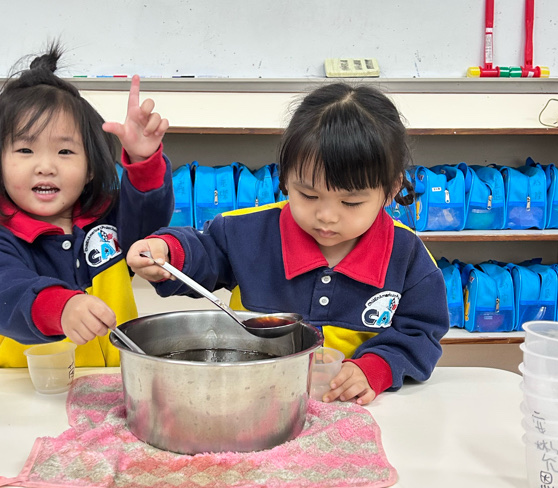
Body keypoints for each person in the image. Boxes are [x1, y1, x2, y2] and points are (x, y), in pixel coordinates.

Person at [126, 81, 449, 405]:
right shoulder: (249, 232)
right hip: (253, 399)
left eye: (350, 203)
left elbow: (421, 333)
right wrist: (168, 253)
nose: (326, 216)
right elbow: (207, 250)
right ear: (286, 178)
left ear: (391, 189)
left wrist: (376, 367)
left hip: (353, 409)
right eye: (308, 195)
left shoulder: (407, 257)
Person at [0, 47, 173, 367]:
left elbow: (150, 223)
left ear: (90, 168)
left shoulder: (110, 220)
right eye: (25, 150)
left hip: (110, 381)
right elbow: (2, 297)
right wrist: (60, 309)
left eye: (65, 151)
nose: (46, 167)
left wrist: (143, 161)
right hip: (23, 388)